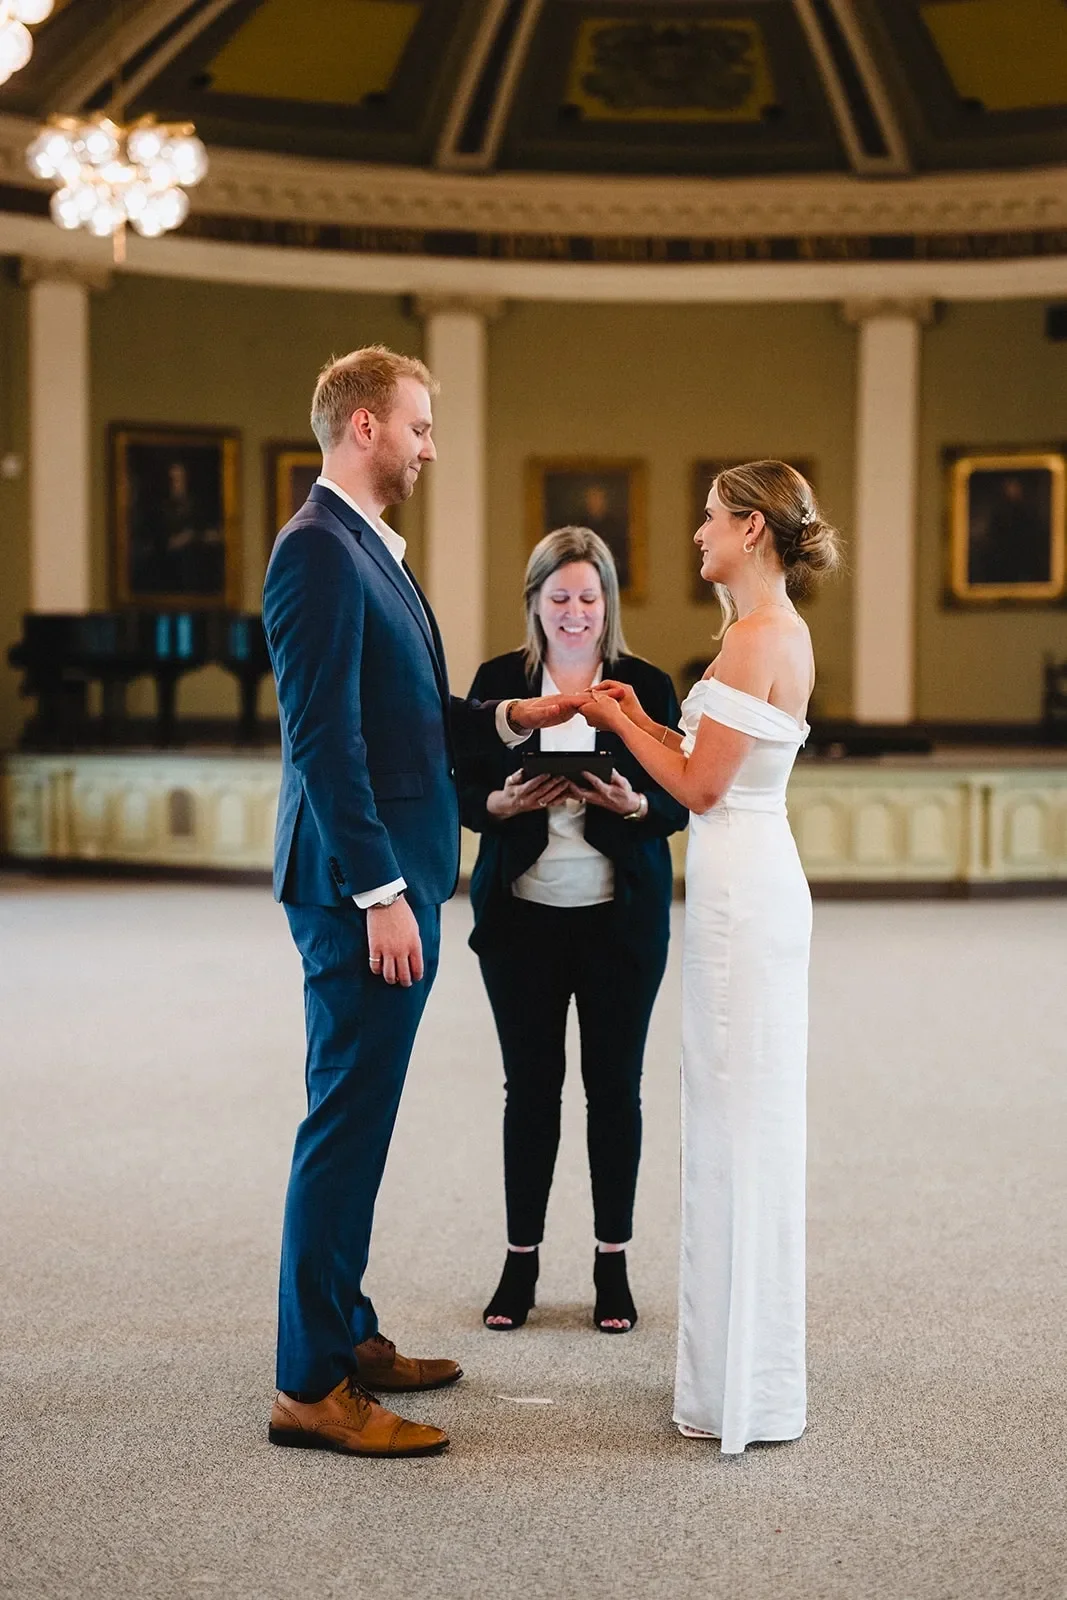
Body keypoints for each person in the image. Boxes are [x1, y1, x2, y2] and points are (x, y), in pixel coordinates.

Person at [261, 345, 583, 1460]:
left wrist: (510, 716)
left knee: (360, 1118)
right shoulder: (315, 551)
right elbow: (325, 741)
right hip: (364, 892)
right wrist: (382, 891)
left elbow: (406, 714)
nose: (430, 445)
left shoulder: (366, 551)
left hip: (389, 875)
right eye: (420, 425)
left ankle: (343, 1330)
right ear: (363, 427)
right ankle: (307, 1386)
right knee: (342, 1126)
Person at [580, 460, 840, 1454]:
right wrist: (637, 715)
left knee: (732, 1116)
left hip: (739, 892)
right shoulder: (780, 632)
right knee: (745, 1111)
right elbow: (709, 763)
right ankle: (745, 1376)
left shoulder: (750, 638)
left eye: (705, 521)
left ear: (747, 527)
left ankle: (739, 1390)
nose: (694, 536)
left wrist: (615, 723)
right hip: (755, 871)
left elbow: (694, 788)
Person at [460, 528, 688, 1334]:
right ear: (534, 603)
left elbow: (678, 796)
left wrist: (632, 806)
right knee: (529, 1092)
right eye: (558, 597)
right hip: (520, 916)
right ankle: (519, 1263)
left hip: (618, 922)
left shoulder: (645, 685)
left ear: (607, 604)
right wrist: (494, 807)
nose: (574, 612)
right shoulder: (499, 684)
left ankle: (610, 1264)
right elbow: (462, 785)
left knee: (613, 1093)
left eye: (588, 597)